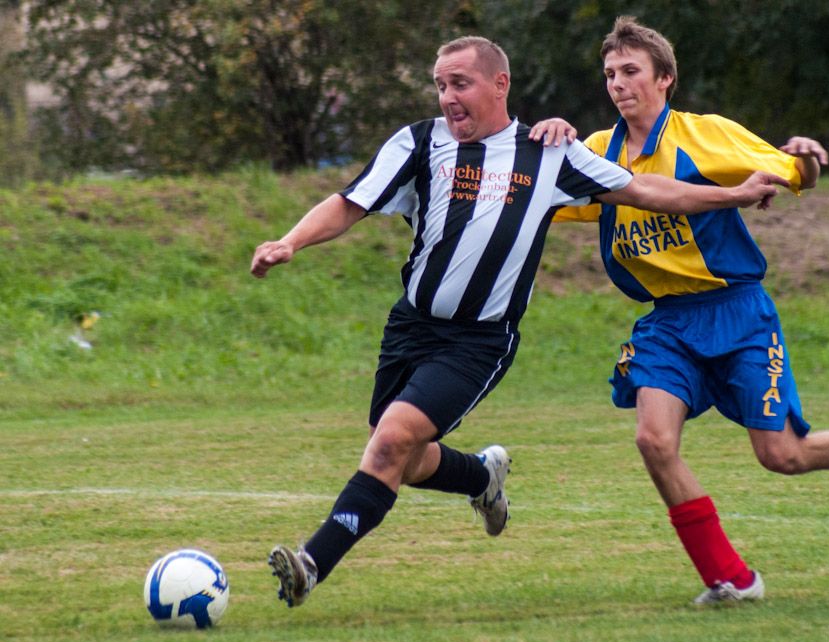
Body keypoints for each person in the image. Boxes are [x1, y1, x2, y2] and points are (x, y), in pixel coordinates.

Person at [250, 35, 787, 609]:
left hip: (478, 341)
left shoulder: (547, 153)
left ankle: (311, 564)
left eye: (460, 83)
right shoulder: (418, 142)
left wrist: (731, 194)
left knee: (391, 444)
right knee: (400, 459)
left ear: (499, 84)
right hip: (410, 327)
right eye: (440, 85)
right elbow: (350, 202)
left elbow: (647, 190)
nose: (448, 97)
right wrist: (291, 241)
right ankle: (482, 478)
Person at [533, 16, 829, 605]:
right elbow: (534, 193)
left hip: (738, 314)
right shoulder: (598, 152)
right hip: (667, 323)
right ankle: (731, 580)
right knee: (654, 441)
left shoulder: (706, 136)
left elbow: (793, 174)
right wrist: (545, 139)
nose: (618, 84)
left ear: (665, 78)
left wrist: (805, 157)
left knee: (783, 455)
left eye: (631, 71)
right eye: (609, 74)